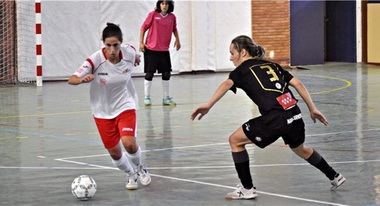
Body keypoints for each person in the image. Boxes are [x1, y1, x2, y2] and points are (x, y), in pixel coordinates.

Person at [191, 35, 346, 200]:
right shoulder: (272, 65)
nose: (230, 58)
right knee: (301, 149)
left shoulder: (241, 71)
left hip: (275, 117)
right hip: (294, 113)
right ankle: (335, 176)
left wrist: (208, 104)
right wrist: (312, 108)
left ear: (243, 52)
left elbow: (226, 84)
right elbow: (298, 84)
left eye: (232, 53)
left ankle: (247, 189)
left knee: (235, 141)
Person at [68, 23, 151, 190]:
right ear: (103, 44)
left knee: (128, 143)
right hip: (102, 112)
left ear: (121, 43)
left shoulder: (129, 52)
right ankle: (130, 173)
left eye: (116, 45)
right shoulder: (95, 60)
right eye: (108, 45)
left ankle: (140, 168)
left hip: (125, 104)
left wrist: (136, 59)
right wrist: (81, 80)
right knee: (115, 153)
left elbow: (134, 55)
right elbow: (72, 78)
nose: (112, 50)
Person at [139, 0, 181, 106]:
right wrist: (141, 43)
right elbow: (143, 28)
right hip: (151, 50)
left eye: (166, 3)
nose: (164, 5)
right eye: (162, 3)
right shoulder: (153, 15)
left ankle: (166, 98)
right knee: (149, 74)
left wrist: (177, 40)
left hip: (164, 51)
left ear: (169, 5)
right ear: (159, 5)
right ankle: (147, 98)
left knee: (166, 74)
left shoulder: (172, 17)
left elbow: (174, 29)